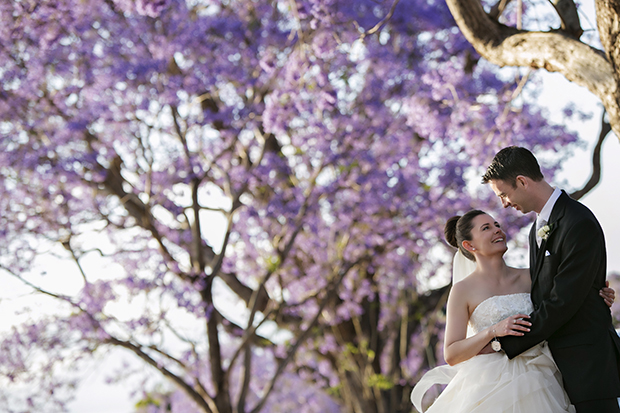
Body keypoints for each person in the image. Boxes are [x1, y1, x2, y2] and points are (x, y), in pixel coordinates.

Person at [410, 211, 615, 412]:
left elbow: (564, 304)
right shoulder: (462, 290)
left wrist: (598, 297)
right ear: (469, 245)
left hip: (546, 373)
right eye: (486, 228)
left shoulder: (532, 277)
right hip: (491, 384)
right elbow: (452, 353)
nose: (497, 230)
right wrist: (493, 331)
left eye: (497, 224)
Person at [482, 146, 620, 412]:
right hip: (555, 366)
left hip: (587, 365)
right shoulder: (537, 226)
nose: (504, 204)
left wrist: (503, 343)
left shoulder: (577, 221)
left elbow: (562, 301)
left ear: (521, 181)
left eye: (504, 194)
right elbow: (544, 290)